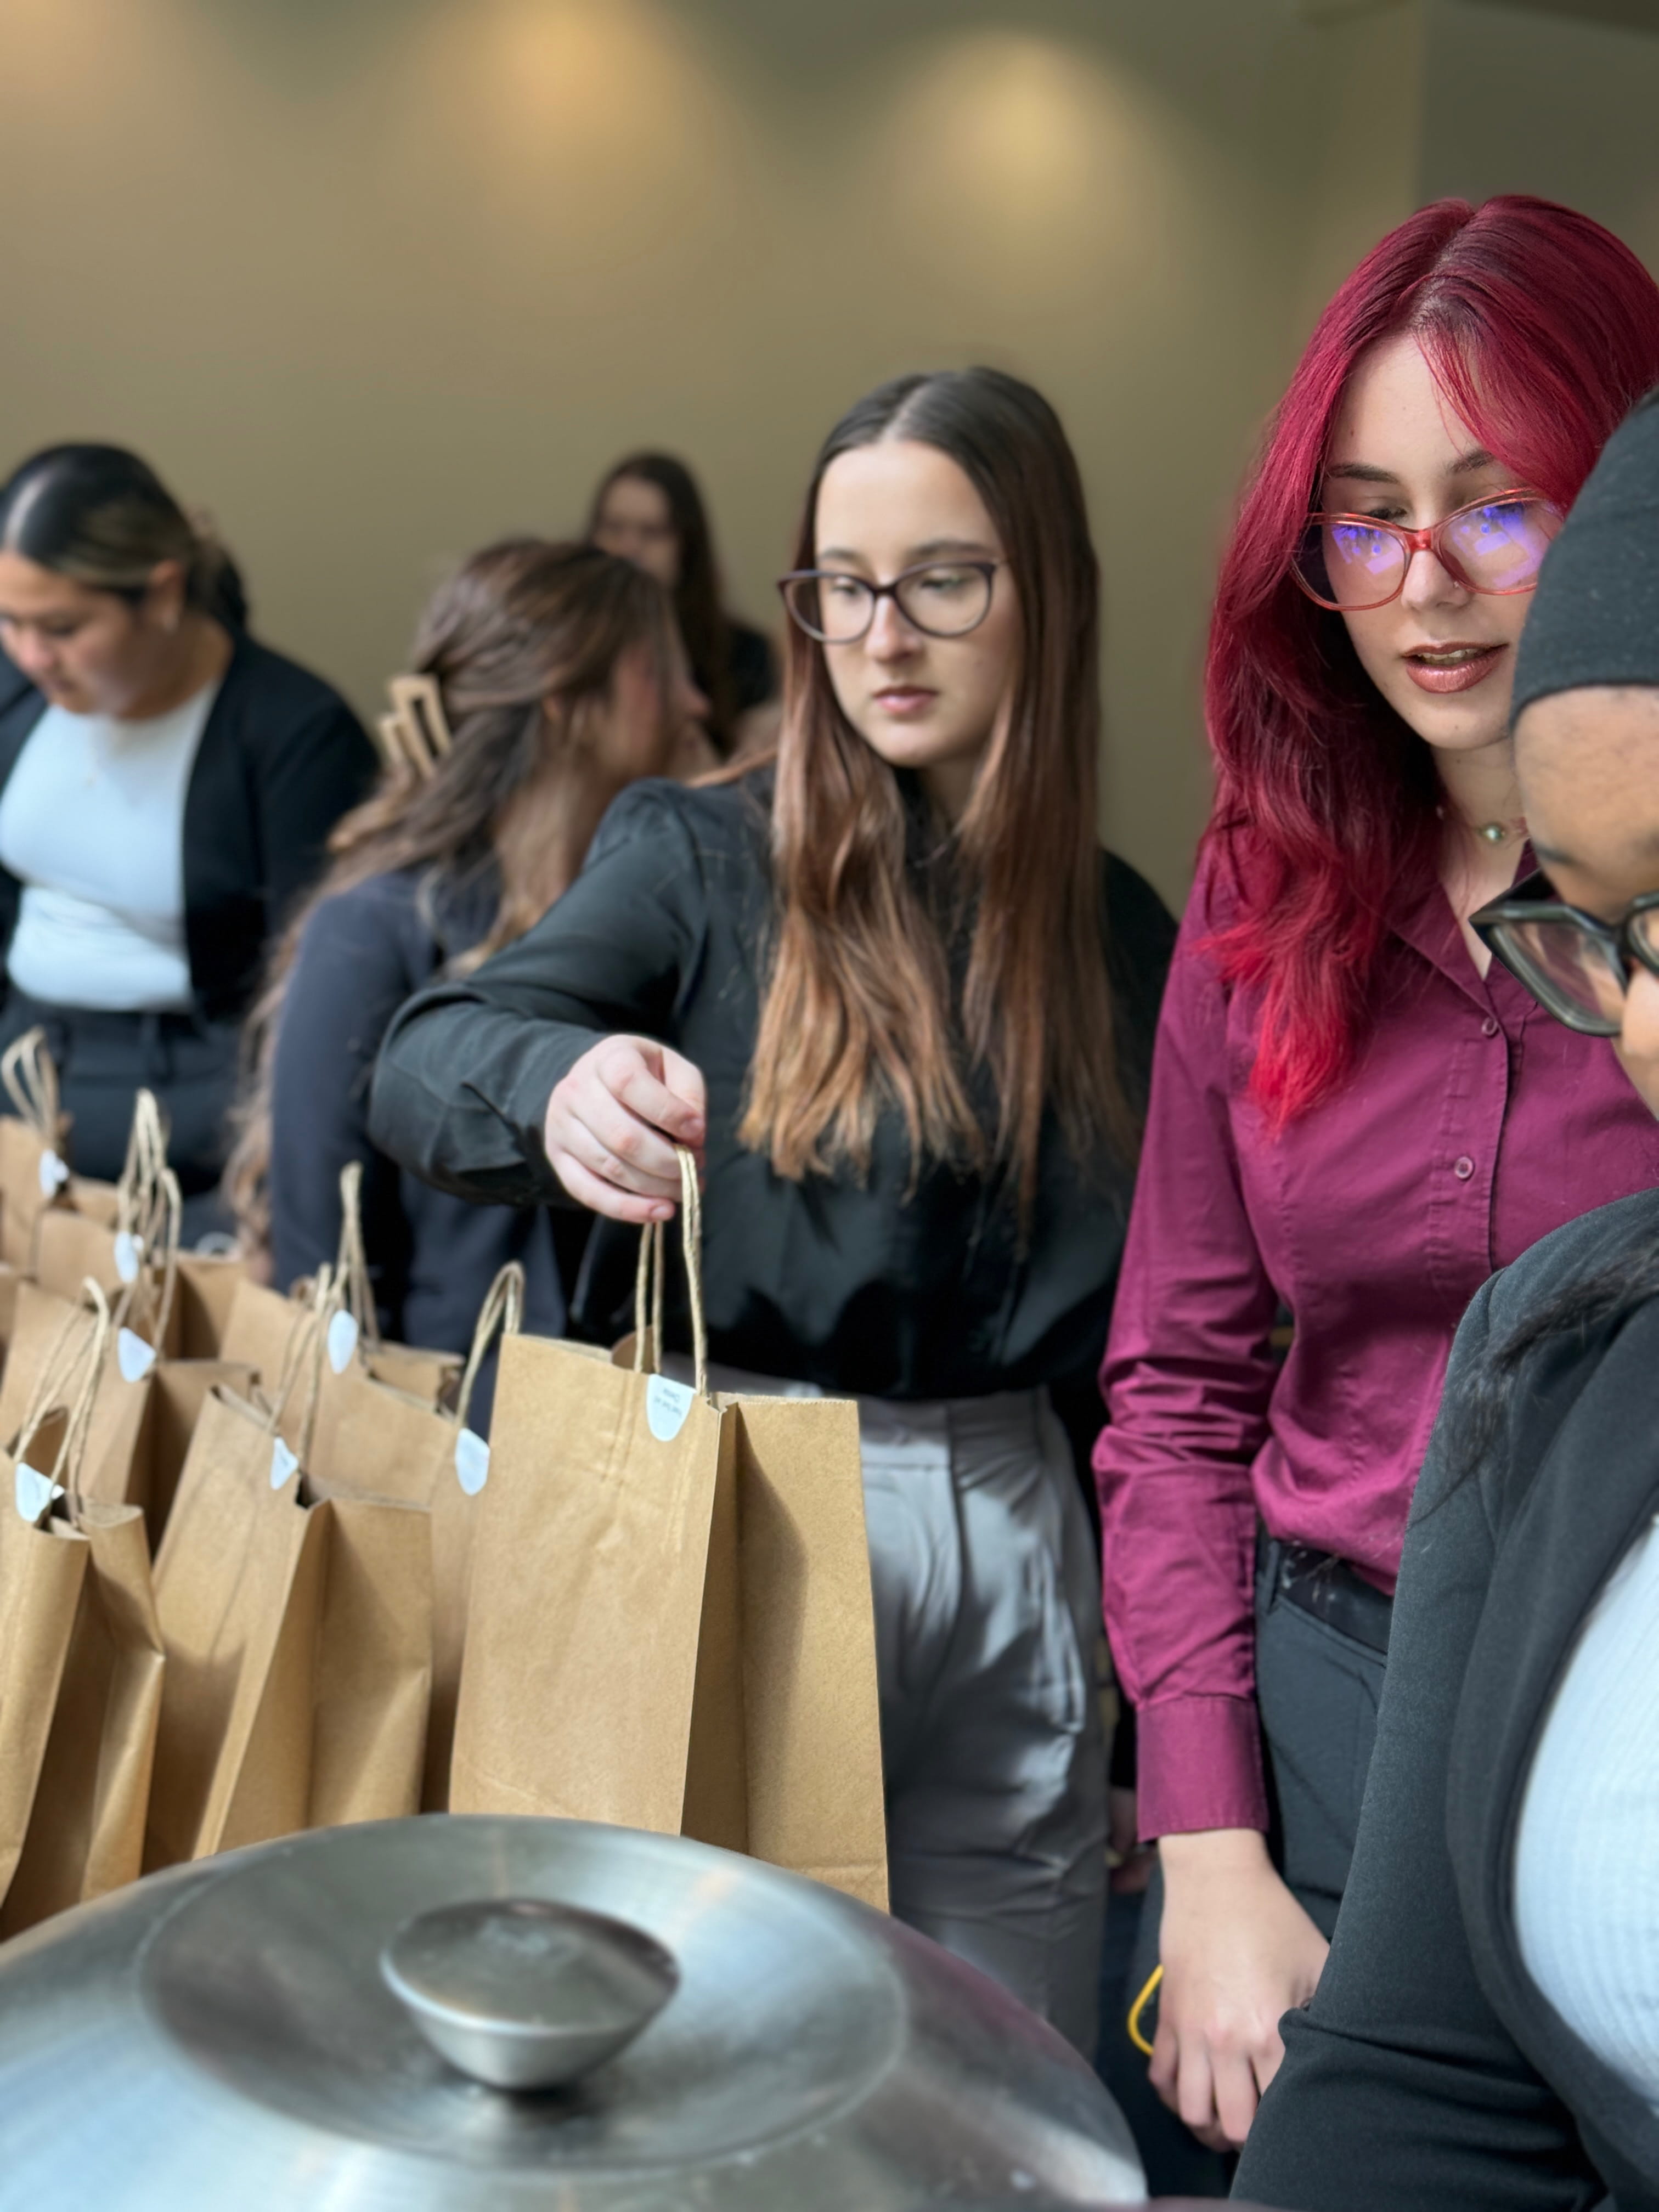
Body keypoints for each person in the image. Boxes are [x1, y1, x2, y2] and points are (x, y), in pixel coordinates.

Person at [371, 366, 1178, 2053]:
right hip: (742, 1486)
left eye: (944, 577)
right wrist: (556, 1087)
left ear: (1052, 591)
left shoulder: (1118, 930)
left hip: (1023, 1506)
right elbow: (431, 1057)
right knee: (710, 2057)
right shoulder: (697, 854)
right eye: (841, 587)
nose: (883, 633)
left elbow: (1158, 1344)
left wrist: (1142, 1707)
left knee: (1004, 2077)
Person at [1093, 195, 1659, 2155]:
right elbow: (1173, 1387)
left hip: (1610, 1708)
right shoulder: (1264, 884)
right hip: (1316, 1707)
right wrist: (1202, 1843)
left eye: (1498, 505)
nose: (1423, 582)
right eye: (1360, 517)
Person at [1236, 387, 1659, 2212]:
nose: (1642, 1030)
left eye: (1492, 512)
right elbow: (1415, 2076)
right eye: (1606, 928)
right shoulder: (1554, 1360)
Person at [229, 537, 707, 1378]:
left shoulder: (663, 926)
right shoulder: (374, 929)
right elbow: (324, 1270)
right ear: (568, 704)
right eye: (659, 672)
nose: (694, 702)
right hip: (444, 1449)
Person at [0, 443, 375, 1238]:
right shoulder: (20, 697)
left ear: (162, 594)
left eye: (62, 627)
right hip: (23, 1067)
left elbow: (316, 994)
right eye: (9, 621)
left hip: (183, 1114)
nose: (32, 656)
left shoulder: (293, 736)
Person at [588, 450, 778, 755]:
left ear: (686, 547)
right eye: (614, 528)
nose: (628, 549)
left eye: (651, 532)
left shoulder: (745, 654)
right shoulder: (569, 648)